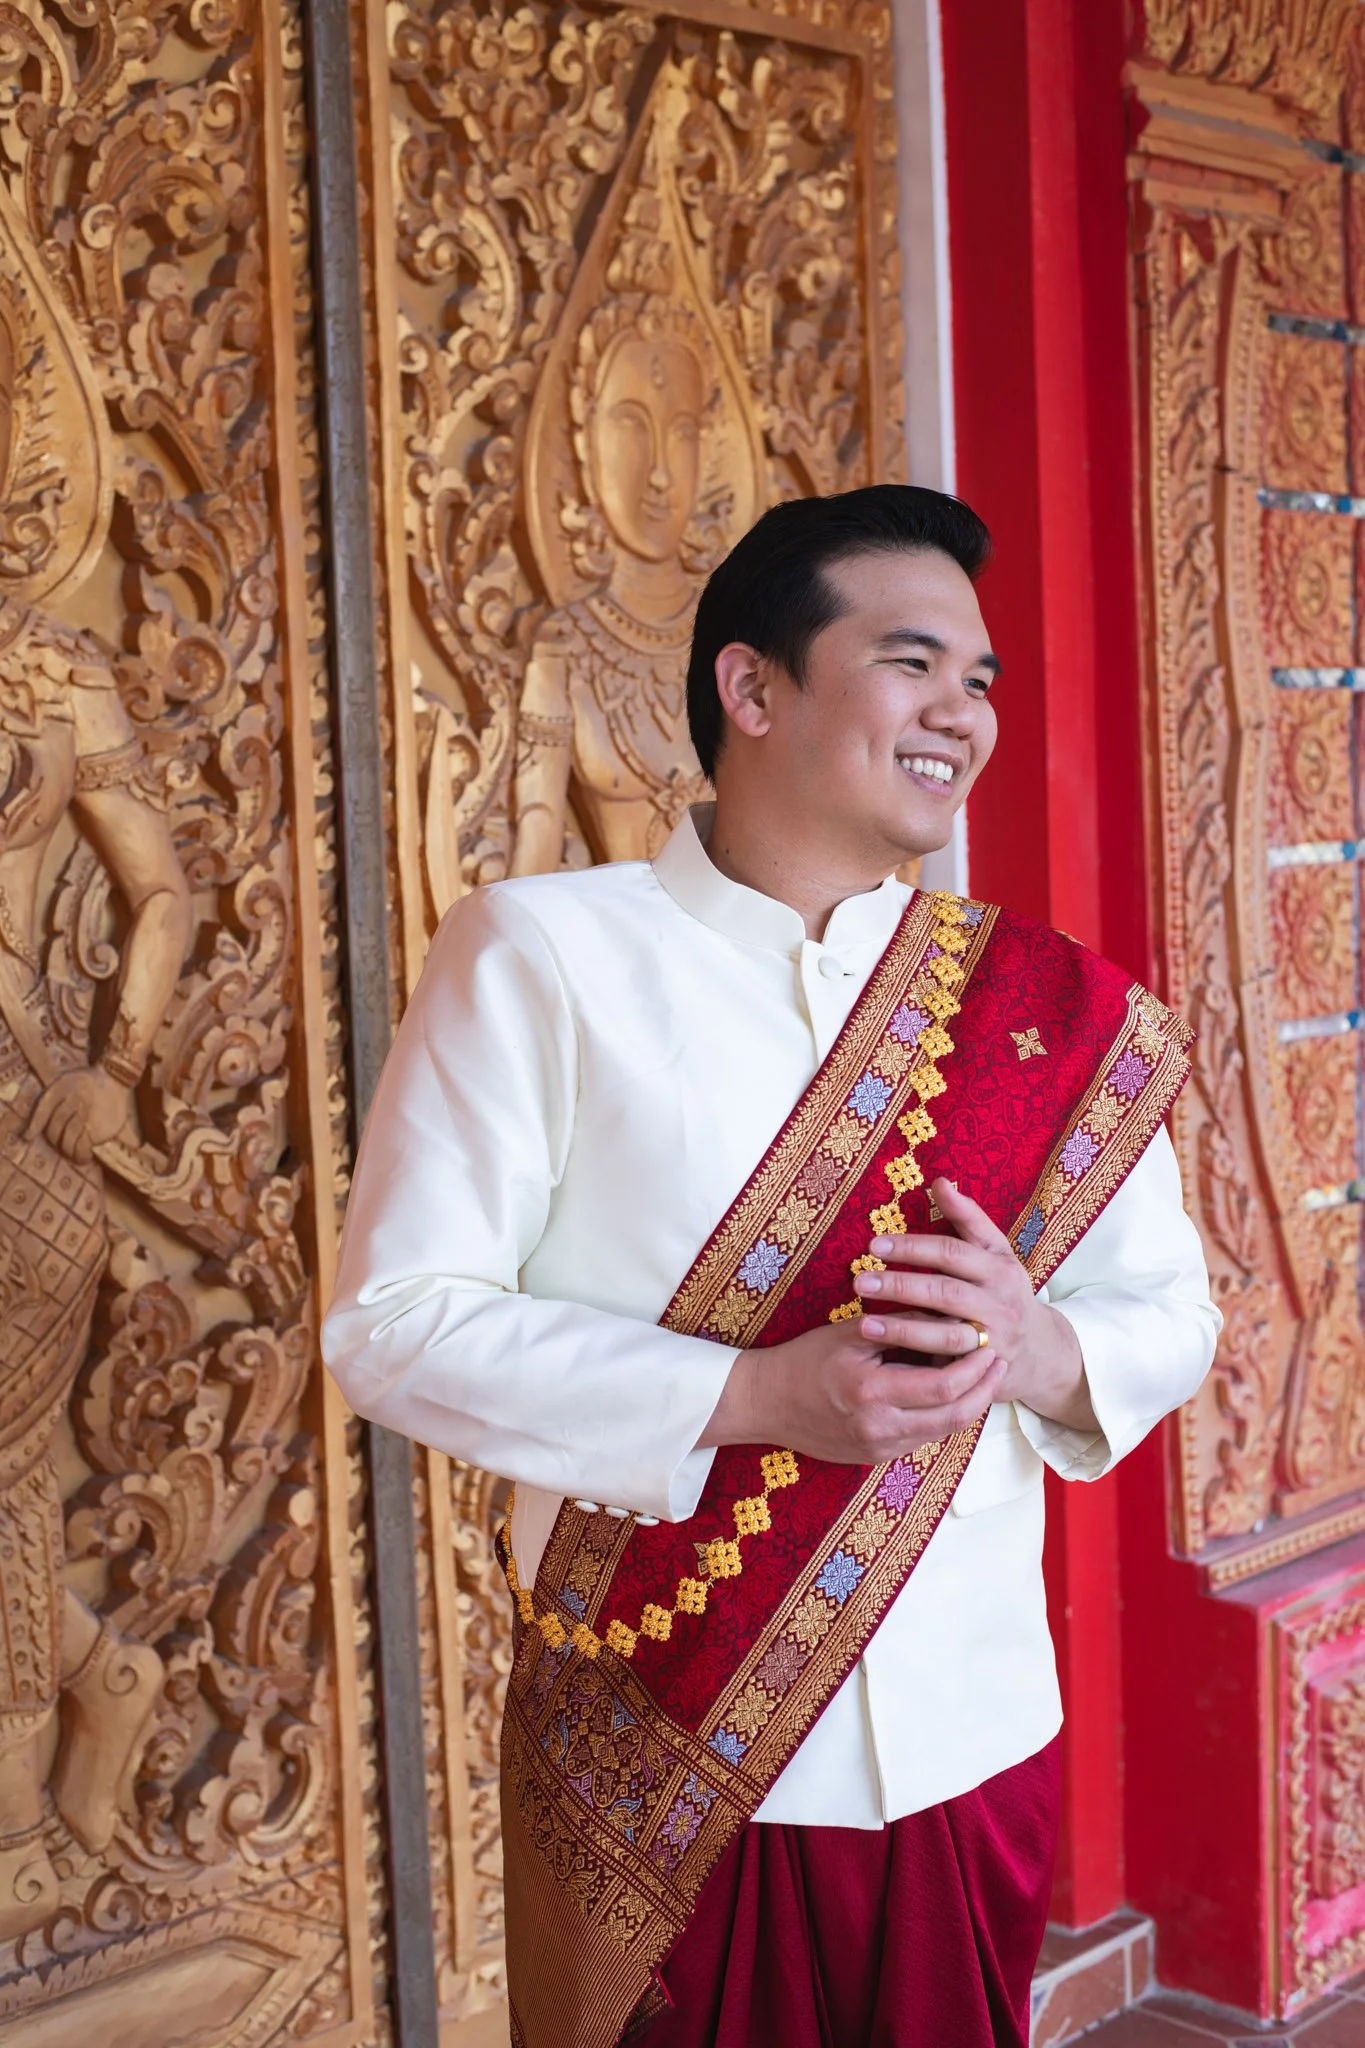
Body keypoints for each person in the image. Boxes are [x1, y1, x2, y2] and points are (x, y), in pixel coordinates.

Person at [323, 486, 1219, 2048]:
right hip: (671, 1737)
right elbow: (392, 1325)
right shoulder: (542, 955)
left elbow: (1172, 1316)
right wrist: (748, 1394)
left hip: (970, 1736)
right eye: (914, 663)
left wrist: (1034, 1350)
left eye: (984, 681)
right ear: (752, 688)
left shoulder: (1041, 1010)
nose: (965, 713)